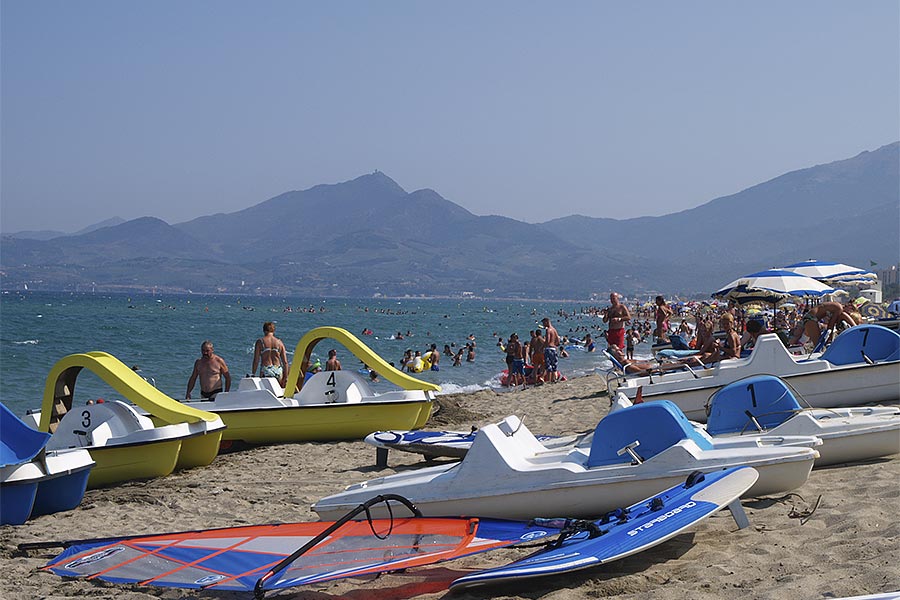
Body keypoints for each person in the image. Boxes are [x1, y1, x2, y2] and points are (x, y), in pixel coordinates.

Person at [252, 322, 289, 388]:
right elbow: (285, 362)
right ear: (273, 330)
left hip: (267, 370)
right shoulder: (279, 342)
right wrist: (286, 377)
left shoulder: (260, 342)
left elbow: (256, 360)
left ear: (264, 330)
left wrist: (253, 374)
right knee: (277, 392)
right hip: (278, 370)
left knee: (265, 393)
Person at [541, 317, 561, 383]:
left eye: (543, 323)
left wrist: (542, 347)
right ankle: (554, 379)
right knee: (554, 366)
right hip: (554, 349)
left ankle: (549, 381)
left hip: (548, 349)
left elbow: (547, 341)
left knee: (548, 366)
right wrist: (554, 344)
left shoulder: (548, 330)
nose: (543, 325)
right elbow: (558, 342)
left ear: (547, 322)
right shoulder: (554, 330)